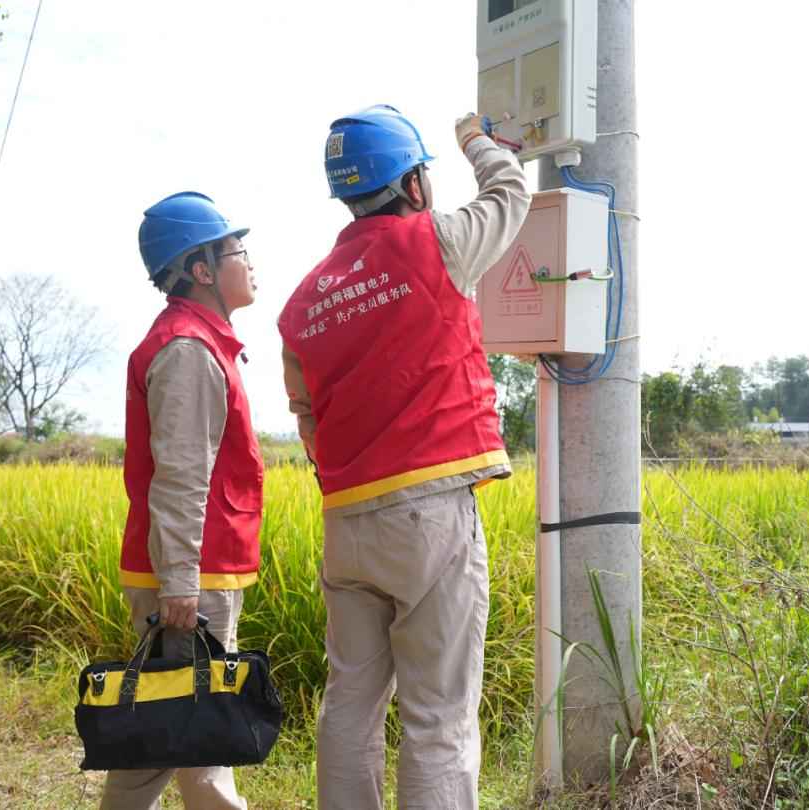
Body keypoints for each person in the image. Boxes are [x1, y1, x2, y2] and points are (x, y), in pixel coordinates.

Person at [276, 106, 531, 810]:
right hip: (429, 514)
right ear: (414, 183)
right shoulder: (438, 241)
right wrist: (477, 140)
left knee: (351, 703)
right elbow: (510, 197)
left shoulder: (302, 303)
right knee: (438, 715)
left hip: (346, 521)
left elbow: (306, 414)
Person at [103, 191, 262, 810]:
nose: (250, 262)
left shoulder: (196, 340)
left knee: (171, 732)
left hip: (194, 569)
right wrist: (179, 582)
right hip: (191, 574)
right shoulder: (189, 350)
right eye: (238, 251)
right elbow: (181, 476)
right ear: (201, 270)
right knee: (192, 735)